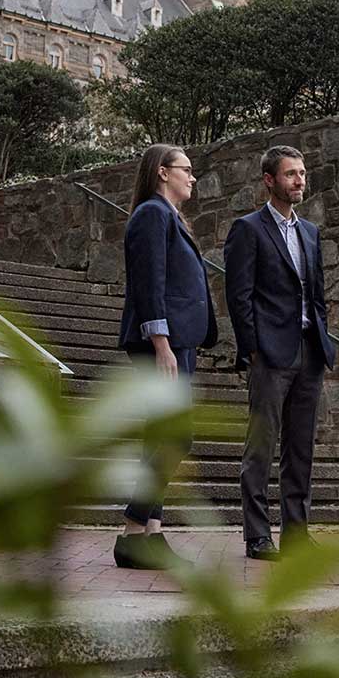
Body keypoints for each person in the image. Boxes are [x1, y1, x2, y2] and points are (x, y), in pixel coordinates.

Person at [223, 145, 335, 562]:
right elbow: (239, 296)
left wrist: (322, 338)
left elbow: (317, 294)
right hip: (270, 355)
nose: (300, 180)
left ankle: (296, 534)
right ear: (270, 180)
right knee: (261, 446)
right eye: (291, 174)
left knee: (300, 448)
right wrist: (253, 349)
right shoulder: (248, 229)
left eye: (303, 173)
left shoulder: (310, 232)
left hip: (309, 351)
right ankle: (257, 536)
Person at [114, 144, 218, 570]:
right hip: (163, 344)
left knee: (159, 439)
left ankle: (148, 536)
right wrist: (160, 343)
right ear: (162, 173)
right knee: (176, 438)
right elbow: (148, 281)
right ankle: (130, 527)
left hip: (180, 342)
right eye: (186, 170)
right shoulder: (152, 215)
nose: (192, 177)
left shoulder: (170, 217)